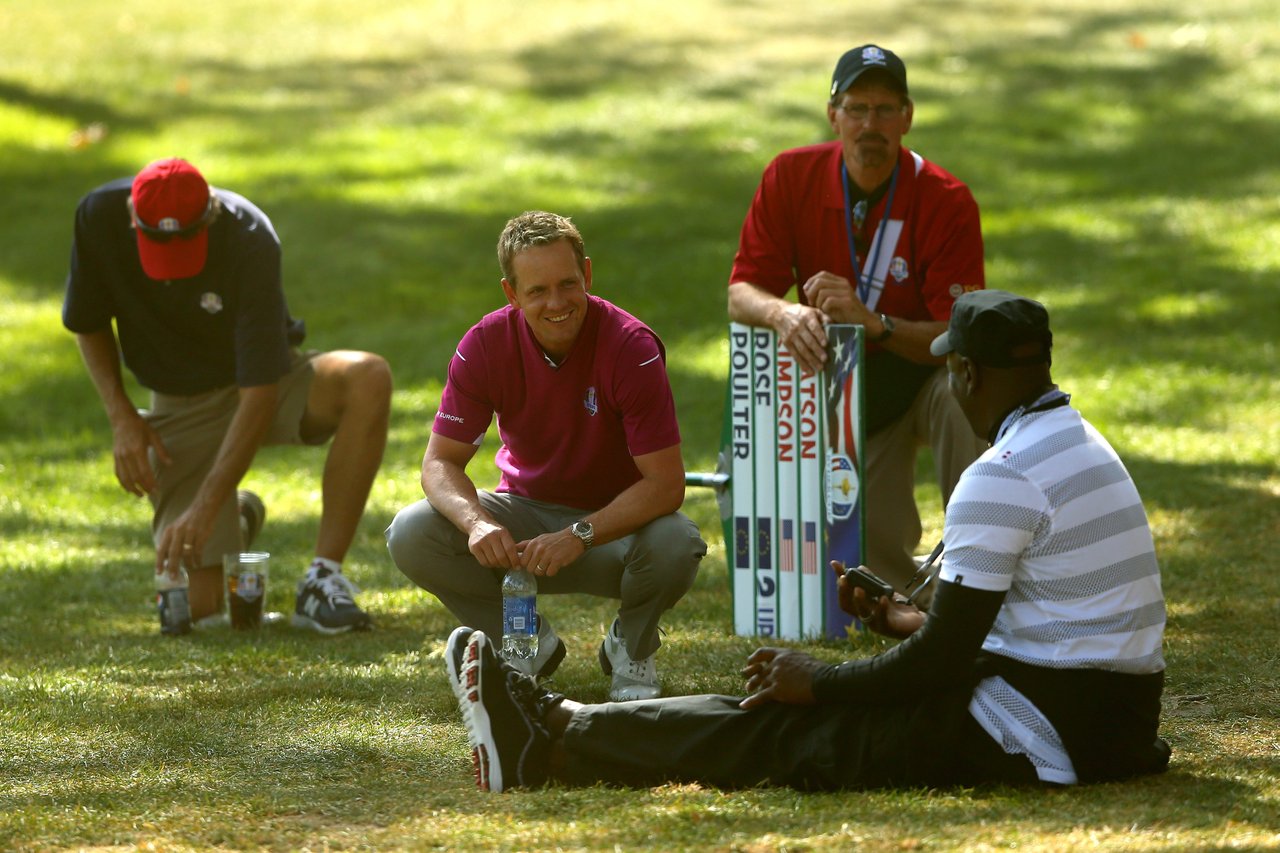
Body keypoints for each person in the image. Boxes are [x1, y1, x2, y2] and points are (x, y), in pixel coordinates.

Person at [444, 291, 1170, 792]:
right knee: (776, 712)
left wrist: (818, 678)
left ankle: (552, 744)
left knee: (791, 732)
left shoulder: (1003, 474)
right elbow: (1021, 630)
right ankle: (561, 721)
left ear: (966, 375)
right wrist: (903, 619)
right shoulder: (1080, 441)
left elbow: (945, 659)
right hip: (1100, 716)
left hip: (1045, 730)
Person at [386, 211, 706, 701]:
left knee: (677, 541)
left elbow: (666, 485)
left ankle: (632, 647)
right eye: (536, 291)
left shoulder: (631, 347)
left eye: (567, 284)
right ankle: (525, 643)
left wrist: (580, 534)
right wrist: (476, 523)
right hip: (525, 522)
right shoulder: (484, 344)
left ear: (588, 276)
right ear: (511, 294)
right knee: (411, 531)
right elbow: (439, 463)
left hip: (614, 529)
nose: (556, 303)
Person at [63, 158, 391, 634]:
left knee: (368, 376)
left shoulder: (250, 235)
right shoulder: (97, 217)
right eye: (159, 246)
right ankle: (239, 516)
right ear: (134, 218)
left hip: (263, 384)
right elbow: (87, 321)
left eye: (185, 245)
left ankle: (322, 579)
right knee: (200, 610)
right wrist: (122, 418)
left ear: (211, 214)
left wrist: (203, 506)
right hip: (178, 400)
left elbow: (258, 393)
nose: (171, 265)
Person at [727, 44, 989, 596]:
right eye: (857, 108)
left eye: (886, 109)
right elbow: (741, 293)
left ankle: (982, 574)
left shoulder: (947, 199)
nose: (871, 123)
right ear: (833, 115)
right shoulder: (790, 176)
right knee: (874, 561)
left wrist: (877, 323)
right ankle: (914, 601)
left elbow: (959, 337)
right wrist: (784, 312)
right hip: (843, 385)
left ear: (908, 117)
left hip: (924, 375)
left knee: (966, 397)